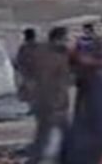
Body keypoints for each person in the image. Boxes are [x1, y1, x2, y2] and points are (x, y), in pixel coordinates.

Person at [60, 39, 102, 164]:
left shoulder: (96, 80)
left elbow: (97, 116)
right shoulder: (100, 77)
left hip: (88, 142)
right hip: (94, 139)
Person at [25, 27, 72, 164]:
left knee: (49, 134)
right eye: (65, 39)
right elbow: (47, 82)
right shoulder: (50, 56)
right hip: (51, 104)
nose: (67, 42)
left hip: (54, 102)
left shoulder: (56, 53)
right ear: (58, 39)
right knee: (46, 134)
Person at [15, 28, 39, 113]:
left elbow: (19, 60)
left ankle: (33, 108)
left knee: (30, 91)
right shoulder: (37, 46)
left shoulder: (24, 47)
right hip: (36, 72)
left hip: (28, 72)